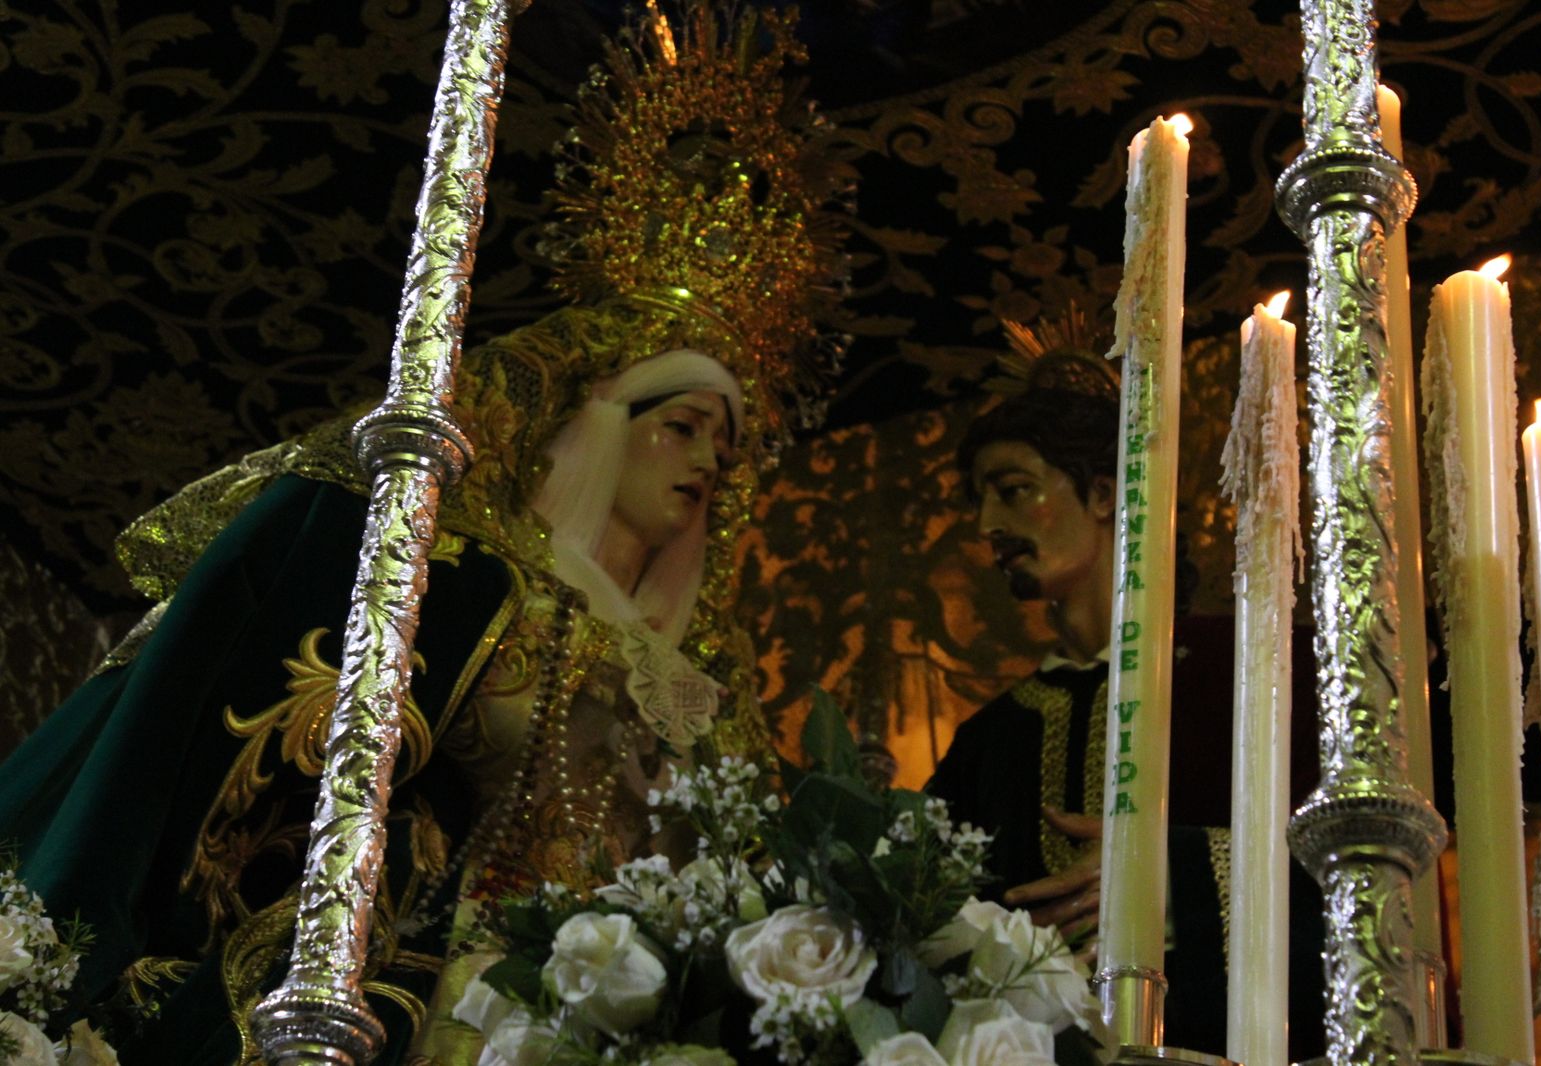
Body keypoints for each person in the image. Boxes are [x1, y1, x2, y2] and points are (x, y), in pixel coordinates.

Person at [0, 4, 848, 1064]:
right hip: (441, 989)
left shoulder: (700, 694)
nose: (703, 466)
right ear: (596, 428)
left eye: (723, 451)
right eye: (680, 427)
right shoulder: (473, 587)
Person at [926, 348, 1325, 1060]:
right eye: (979, 499)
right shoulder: (987, 743)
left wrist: (1173, 873)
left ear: (1106, 494)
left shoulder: (1262, 671)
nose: (987, 521)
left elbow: (1361, 874)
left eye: (1012, 489)